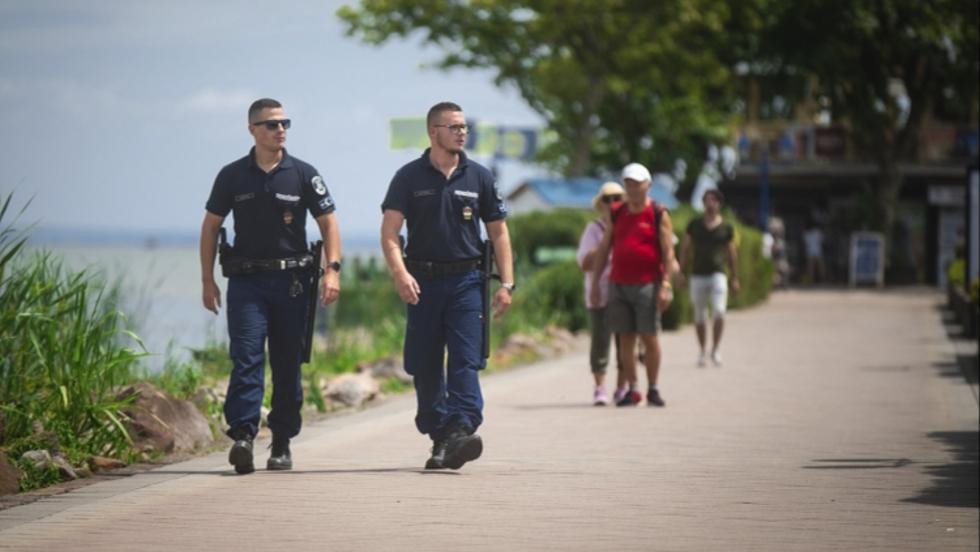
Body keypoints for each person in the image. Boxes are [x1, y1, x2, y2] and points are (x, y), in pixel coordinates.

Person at [200, 98, 342, 475]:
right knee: (246, 357)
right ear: (252, 129)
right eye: (271, 124)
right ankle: (244, 437)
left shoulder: (303, 173)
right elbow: (211, 226)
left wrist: (333, 271)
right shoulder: (232, 175)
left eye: (285, 123)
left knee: (287, 364)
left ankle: (281, 442)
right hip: (247, 283)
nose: (280, 129)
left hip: (293, 284)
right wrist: (206, 280)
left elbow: (328, 222)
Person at [380, 101, 514, 470]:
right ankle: (442, 436)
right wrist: (400, 274)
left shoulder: (480, 177)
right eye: (453, 126)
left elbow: (499, 233)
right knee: (423, 365)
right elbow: (390, 233)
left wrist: (507, 283)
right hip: (421, 282)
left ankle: (462, 426)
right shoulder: (408, 177)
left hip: (467, 282)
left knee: (464, 360)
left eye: (464, 126)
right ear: (433, 131)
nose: (461, 132)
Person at [590, 162, 676, 407]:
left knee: (649, 336)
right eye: (628, 183)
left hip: (648, 283)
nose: (633, 188)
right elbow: (605, 247)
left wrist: (666, 285)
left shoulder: (659, 212)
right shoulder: (617, 211)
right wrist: (596, 283)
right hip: (618, 283)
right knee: (625, 337)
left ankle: (654, 387)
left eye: (637, 183)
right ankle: (633, 388)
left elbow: (668, 252)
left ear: (648, 185)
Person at [576, 181, 626, 406]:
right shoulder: (593, 229)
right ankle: (599, 388)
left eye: (618, 198)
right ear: (602, 204)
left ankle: (623, 386)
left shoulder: (630, 225)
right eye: (608, 199)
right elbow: (584, 264)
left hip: (626, 290)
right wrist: (604, 244)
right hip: (600, 292)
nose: (613, 203)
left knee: (626, 341)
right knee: (600, 342)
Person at [678, 188, 739, 367]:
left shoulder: (726, 227)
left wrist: (735, 277)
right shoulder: (695, 224)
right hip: (697, 274)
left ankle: (716, 348)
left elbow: (731, 253)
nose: (710, 203)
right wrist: (681, 272)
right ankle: (702, 350)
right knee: (699, 315)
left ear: (719, 204)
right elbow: (685, 249)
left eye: (713, 200)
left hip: (718, 274)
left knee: (719, 311)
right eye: (707, 200)